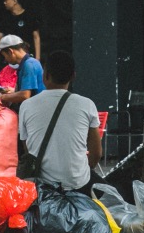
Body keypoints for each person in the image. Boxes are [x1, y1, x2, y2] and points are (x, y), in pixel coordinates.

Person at [17, 50, 101, 191]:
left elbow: (28, 149)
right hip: (78, 183)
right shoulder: (87, 105)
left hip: (42, 187)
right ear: (73, 76)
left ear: (45, 76)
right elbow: (96, 153)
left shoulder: (26, 106)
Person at [0, 0, 43, 79]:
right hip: (9, 61)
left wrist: (37, 58)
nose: (4, 3)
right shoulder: (6, 18)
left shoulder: (29, 16)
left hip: (24, 58)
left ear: (14, 1)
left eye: (6, 0)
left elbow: (36, 37)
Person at [0, 35, 45, 108]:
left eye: (4, 56)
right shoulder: (24, 64)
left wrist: (1, 97)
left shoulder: (29, 65)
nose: (5, 60)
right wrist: (12, 91)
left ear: (11, 52)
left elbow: (25, 95)